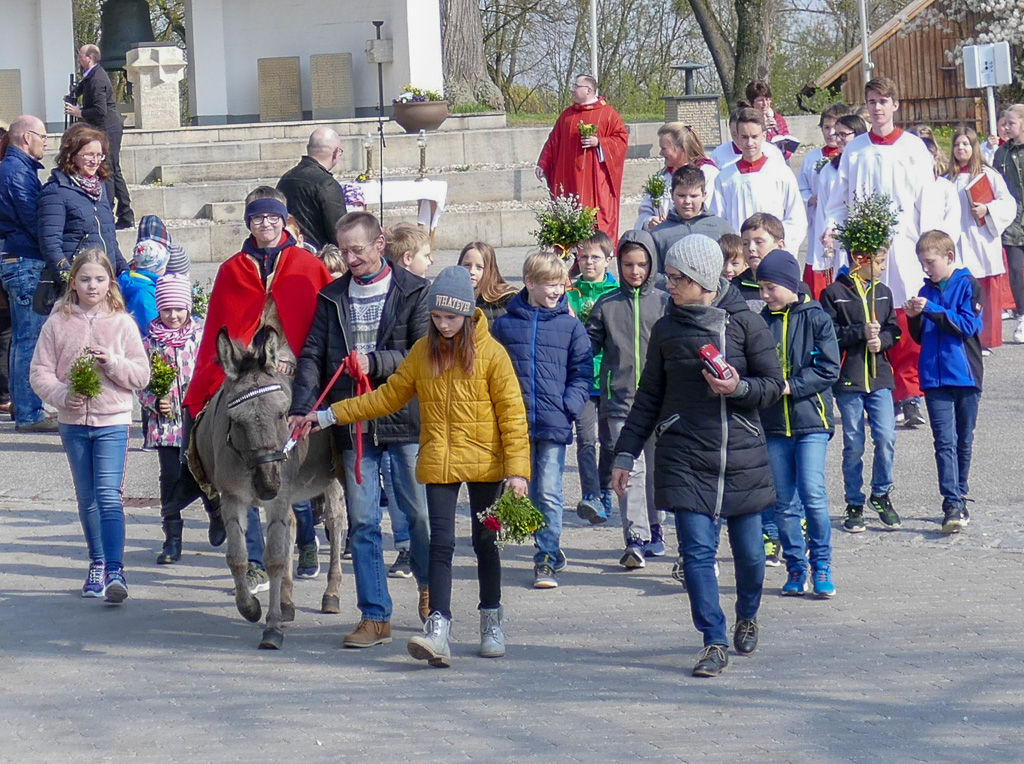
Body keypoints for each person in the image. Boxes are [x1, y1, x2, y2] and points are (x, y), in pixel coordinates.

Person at [297, 266, 530, 667]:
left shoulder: (493, 354)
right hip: (439, 460)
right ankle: (438, 627)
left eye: (451, 318)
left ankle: (491, 619)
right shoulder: (423, 351)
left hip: (488, 463)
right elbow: (384, 398)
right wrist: (327, 416)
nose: (443, 325)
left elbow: (512, 414)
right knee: (440, 544)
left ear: (469, 313)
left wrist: (518, 471)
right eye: (437, 317)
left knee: (485, 543)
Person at [611, 234, 784, 678]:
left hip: (740, 455)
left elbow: (771, 385)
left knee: (748, 557)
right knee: (696, 554)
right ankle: (713, 639)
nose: (667, 285)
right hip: (685, 456)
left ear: (703, 280)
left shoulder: (747, 324)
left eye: (676, 278)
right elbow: (649, 397)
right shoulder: (667, 329)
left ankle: (748, 613)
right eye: (667, 276)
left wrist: (738, 389)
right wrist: (625, 454)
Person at [288, 210, 431, 648]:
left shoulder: (416, 291)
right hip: (352, 423)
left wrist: (376, 362)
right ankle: (375, 615)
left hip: (404, 420)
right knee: (363, 521)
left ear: (380, 243)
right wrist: (301, 406)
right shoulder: (331, 297)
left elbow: (421, 352)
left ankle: (431, 591)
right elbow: (313, 355)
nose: (349, 258)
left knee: (418, 514)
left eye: (357, 249)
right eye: (344, 250)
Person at [183, 186, 333, 593]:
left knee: (302, 448)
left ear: (285, 221)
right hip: (242, 370)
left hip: (298, 367)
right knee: (201, 422)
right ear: (248, 222)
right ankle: (222, 510)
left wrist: (290, 358)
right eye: (256, 218)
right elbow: (224, 325)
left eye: (272, 218)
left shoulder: (306, 264)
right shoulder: (233, 268)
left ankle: (306, 539)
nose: (264, 225)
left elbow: (316, 324)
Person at [29, 248, 149, 602]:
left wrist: (112, 362)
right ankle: (95, 563)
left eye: (99, 279)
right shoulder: (57, 323)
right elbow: (39, 373)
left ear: (110, 283)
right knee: (87, 498)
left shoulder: (122, 323)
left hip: (112, 420)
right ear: (73, 282)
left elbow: (140, 374)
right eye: (84, 279)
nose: (92, 286)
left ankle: (116, 569)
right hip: (74, 424)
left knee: (109, 495)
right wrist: (63, 395)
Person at [822, 76, 935, 429]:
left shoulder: (913, 148)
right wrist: (832, 225)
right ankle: (872, 389)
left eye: (883, 101)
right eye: (871, 101)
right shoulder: (855, 151)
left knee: (903, 316)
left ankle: (910, 394)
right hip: (863, 247)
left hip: (902, 244)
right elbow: (839, 202)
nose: (877, 107)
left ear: (895, 105)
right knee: (866, 317)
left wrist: (927, 243)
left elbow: (926, 199)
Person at [491, 251, 593, 589]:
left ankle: (546, 556)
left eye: (560, 285)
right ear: (530, 283)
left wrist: (569, 406)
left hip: (553, 422)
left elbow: (582, 372)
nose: (556, 292)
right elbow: (491, 371)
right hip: (515, 424)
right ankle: (543, 544)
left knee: (549, 491)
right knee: (526, 492)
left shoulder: (571, 326)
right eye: (549, 285)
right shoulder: (505, 325)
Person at [756, 249, 841, 598]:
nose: (764, 295)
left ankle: (821, 563)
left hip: (811, 422)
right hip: (774, 425)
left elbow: (828, 368)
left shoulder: (817, 318)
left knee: (813, 493)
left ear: (790, 285)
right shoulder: (762, 322)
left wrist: (792, 386)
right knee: (783, 502)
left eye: (770, 288)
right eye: (761, 288)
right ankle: (795, 567)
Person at [586, 230, 668, 568]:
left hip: (659, 402)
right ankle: (634, 538)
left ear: (652, 264)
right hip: (619, 401)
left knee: (654, 472)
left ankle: (655, 528)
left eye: (642, 265)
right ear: (618, 265)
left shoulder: (665, 302)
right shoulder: (607, 305)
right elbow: (588, 347)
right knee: (629, 471)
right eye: (629, 264)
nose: (636, 271)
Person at [905, 230, 984, 533]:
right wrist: (914, 316)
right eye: (923, 264)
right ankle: (951, 502)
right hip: (934, 378)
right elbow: (919, 336)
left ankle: (960, 493)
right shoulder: (926, 290)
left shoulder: (969, 284)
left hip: (965, 375)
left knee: (964, 439)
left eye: (930, 262)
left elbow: (966, 325)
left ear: (949, 257)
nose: (926, 269)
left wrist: (931, 309)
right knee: (944, 442)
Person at [820, 247, 902, 533]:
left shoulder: (884, 292)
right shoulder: (833, 293)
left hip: (880, 378)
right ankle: (854, 501)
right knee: (854, 443)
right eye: (878, 263)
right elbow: (828, 335)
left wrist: (885, 341)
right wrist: (859, 333)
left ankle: (880, 493)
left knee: (886, 436)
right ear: (859, 261)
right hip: (849, 378)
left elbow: (894, 329)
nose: (881, 268)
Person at [138, 274, 217, 563]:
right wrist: (152, 401)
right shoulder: (150, 343)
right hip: (166, 426)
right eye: (167, 309)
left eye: (179, 309)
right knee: (170, 478)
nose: (173, 316)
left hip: (198, 422)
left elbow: (212, 374)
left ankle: (215, 512)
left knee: (203, 471)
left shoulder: (200, 337)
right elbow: (140, 382)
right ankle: (172, 539)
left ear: (188, 307)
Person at [0, 114, 57, 432]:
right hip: (24, 261)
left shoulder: (16, 169)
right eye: (43, 136)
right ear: (25, 137)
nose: (46, 142)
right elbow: (34, 220)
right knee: (28, 338)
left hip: (16, 258)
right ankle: (28, 412)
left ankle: (24, 405)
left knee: (23, 338)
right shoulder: (16, 172)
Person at [536, 75, 629, 242]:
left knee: (594, 218)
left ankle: (595, 252)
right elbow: (553, 141)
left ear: (589, 90)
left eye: (576, 86)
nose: (572, 89)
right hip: (568, 178)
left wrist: (599, 142)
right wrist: (543, 164)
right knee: (569, 218)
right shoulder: (567, 115)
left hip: (595, 180)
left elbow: (621, 140)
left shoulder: (607, 114)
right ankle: (571, 254)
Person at [949, 125, 1016, 353]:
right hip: (956, 241)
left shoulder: (988, 175)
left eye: (966, 144)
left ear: (974, 147)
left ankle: (984, 340)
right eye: (957, 144)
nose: (961, 148)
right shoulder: (947, 179)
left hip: (981, 240)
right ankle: (964, 336)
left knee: (983, 291)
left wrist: (987, 209)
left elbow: (1008, 204)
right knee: (960, 288)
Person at [566, 231, 618, 525]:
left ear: (609, 260)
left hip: (610, 377)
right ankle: (591, 496)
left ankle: (606, 488)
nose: (588, 262)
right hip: (582, 377)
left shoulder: (616, 292)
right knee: (586, 439)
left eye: (595, 257)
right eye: (583, 256)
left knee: (611, 441)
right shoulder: (570, 290)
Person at [37, 124, 127, 279]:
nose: (95, 161)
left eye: (99, 155)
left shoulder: (101, 188)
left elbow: (109, 237)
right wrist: (68, 279)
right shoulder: (55, 191)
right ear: (72, 155)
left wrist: (123, 269)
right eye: (89, 155)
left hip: (105, 281)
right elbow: (50, 245)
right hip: (78, 283)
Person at [711, 108, 807, 254]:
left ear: (764, 135)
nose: (749, 143)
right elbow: (719, 221)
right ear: (736, 138)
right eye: (744, 137)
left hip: (773, 254)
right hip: (740, 256)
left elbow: (796, 217)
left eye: (754, 136)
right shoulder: (725, 177)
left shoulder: (780, 173)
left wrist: (775, 246)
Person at [64, 44, 133, 229]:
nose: (78, 59)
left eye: (80, 57)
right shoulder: (91, 76)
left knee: (109, 171)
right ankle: (125, 215)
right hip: (104, 127)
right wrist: (73, 94)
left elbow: (100, 110)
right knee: (113, 170)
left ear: (90, 58)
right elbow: (82, 87)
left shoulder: (98, 79)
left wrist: (80, 112)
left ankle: (109, 214)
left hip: (108, 128)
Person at [799, 104, 851, 297]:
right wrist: (810, 198)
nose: (831, 134)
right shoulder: (812, 158)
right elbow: (801, 188)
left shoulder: (852, 157)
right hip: (819, 224)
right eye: (826, 128)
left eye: (835, 129)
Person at [811, 114, 868, 278]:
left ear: (858, 134)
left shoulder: (867, 163)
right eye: (837, 134)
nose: (838, 139)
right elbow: (826, 208)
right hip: (840, 241)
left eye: (843, 134)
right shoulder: (829, 169)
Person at [635, 123, 719, 230]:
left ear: (682, 148)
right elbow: (644, 212)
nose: (660, 153)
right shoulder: (661, 177)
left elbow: (713, 211)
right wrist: (649, 222)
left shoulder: (708, 173)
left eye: (664, 148)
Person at [650, 165, 734, 270]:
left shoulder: (722, 228)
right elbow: (654, 275)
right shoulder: (658, 234)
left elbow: (736, 264)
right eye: (681, 195)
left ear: (704, 195)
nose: (687, 201)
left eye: (694, 196)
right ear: (671, 194)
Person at [276, 127, 348, 250]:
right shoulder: (327, 184)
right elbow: (338, 232)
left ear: (308, 149)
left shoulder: (285, 179)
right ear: (336, 153)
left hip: (287, 253)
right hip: (319, 258)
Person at [993, 104, 1024, 342]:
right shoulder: (1001, 153)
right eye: (1005, 123)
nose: (1006, 127)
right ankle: (1022, 316)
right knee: (1015, 269)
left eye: (1011, 123)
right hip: (1013, 218)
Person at [733, 212, 788, 312]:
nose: (751, 248)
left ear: (780, 246)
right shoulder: (733, 289)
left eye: (759, 242)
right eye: (745, 243)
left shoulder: (795, 288)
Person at [709, 104, 785, 171]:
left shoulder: (772, 152)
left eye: (753, 136)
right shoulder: (718, 155)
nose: (749, 143)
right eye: (735, 134)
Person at [457, 242, 518, 324]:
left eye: (479, 267)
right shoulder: (452, 298)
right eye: (467, 265)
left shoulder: (507, 299)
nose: (471, 271)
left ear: (490, 270)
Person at [119, 239, 170, 338]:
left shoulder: (129, 278)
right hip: (144, 343)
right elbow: (150, 325)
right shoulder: (145, 292)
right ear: (157, 267)